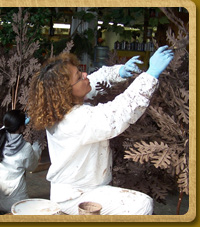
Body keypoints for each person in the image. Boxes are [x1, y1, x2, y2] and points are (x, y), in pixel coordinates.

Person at [28, 45, 174, 215]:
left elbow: (94, 80)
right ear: (66, 91)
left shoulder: (59, 106)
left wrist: (119, 72)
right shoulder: (74, 121)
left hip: (81, 187)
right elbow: (118, 113)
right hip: (76, 196)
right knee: (142, 204)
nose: (85, 75)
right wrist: (150, 75)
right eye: (79, 76)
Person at [0, 109, 42, 215]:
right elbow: (32, 166)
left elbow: (4, 129)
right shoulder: (25, 148)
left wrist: (15, 123)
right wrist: (38, 145)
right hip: (14, 202)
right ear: (22, 127)